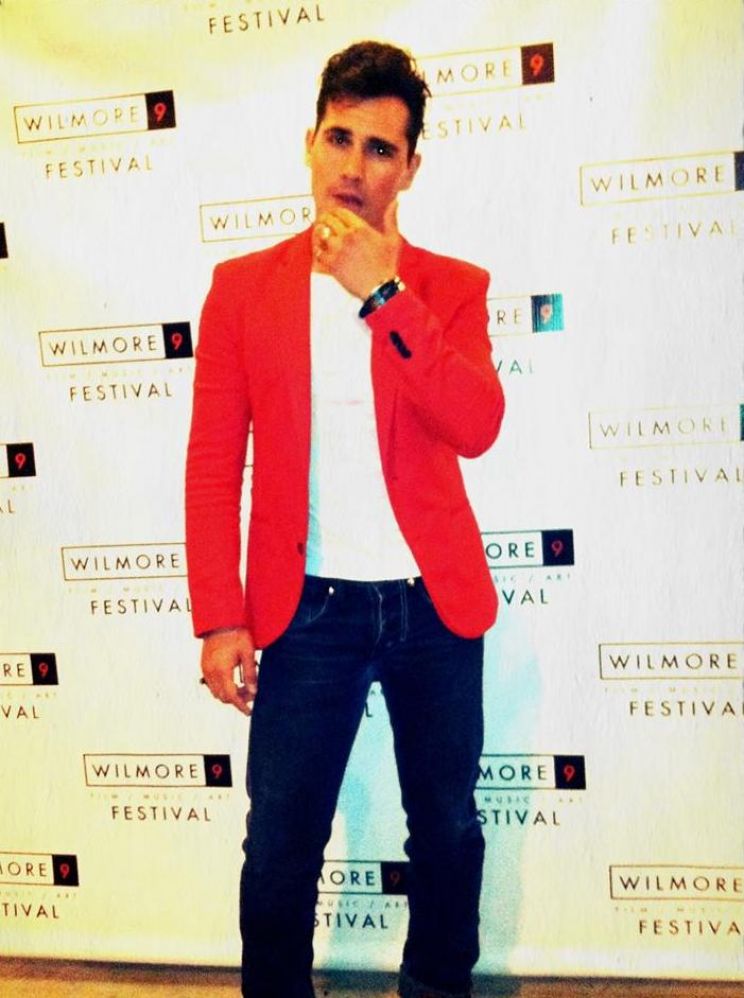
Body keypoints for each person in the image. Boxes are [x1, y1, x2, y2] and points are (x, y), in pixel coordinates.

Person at [185, 40, 505, 998]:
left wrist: (382, 293)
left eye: (380, 149)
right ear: (310, 142)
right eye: (340, 139)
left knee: (446, 829)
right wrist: (221, 616)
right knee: (281, 843)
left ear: (410, 167)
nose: (354, 167)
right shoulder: (244, 289)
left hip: (432, 607)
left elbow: (477, 424)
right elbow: (214, 464)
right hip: (307, 611)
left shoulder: (451, 288)